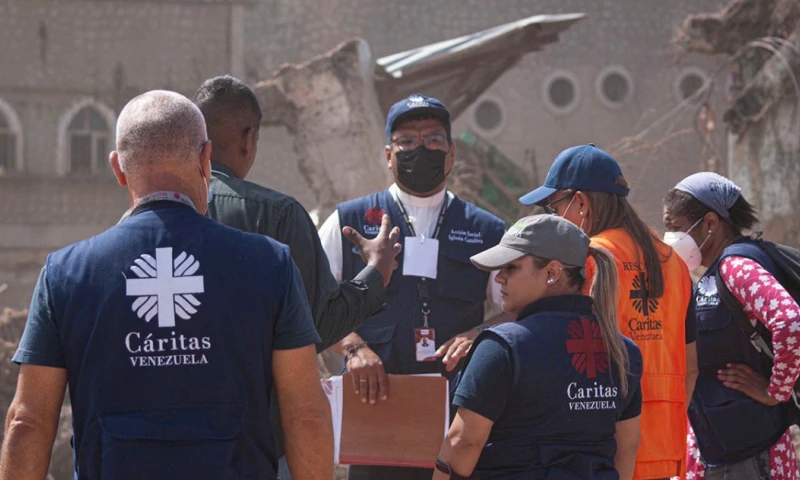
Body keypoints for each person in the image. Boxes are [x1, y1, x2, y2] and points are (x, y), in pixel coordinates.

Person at [0, 91, 334, 480]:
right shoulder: (269, 264)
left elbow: (28, 422)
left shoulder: (66, 273)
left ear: (118, 169)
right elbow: (306, 414)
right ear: (205, 159)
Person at [120, 76, 401, 480]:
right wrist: (376, 275)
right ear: (248, 137)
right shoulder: (278, 216)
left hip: (155, 447)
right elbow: (316, 326)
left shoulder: (131, 226)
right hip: (254, 448)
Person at [318, 93, 506, 480]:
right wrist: (353, 348)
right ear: (388, 154)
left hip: (462, 418)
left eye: (433, 140)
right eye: (407, 141)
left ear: (452, 153)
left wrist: (482, 333)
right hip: (376, 414)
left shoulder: (487, 230)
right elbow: (313, 305)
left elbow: (521, 309)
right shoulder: (347, 221)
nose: (421, 149)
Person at [519, 144, 696, 480]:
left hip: (606, 451)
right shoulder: (675, 263)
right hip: (665, 449)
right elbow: (692, 365)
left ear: (581, 203)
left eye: (553, 208)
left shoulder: (590, 257)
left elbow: (568, 357)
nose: (553, 218)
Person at [434, 214, 643, 480]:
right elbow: (627, 448)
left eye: (511, 267)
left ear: (552, 273)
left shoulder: (501, 347)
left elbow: (464, 442)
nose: (499, 278)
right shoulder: (624, 350)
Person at [662, 172, 800, 480]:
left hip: (754, 453)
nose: (669, 237)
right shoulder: (711, 273)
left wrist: (775, 390)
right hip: (720, 447)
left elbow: (791, 322)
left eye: (675, 227)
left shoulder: (735, 266)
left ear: (710, 223)